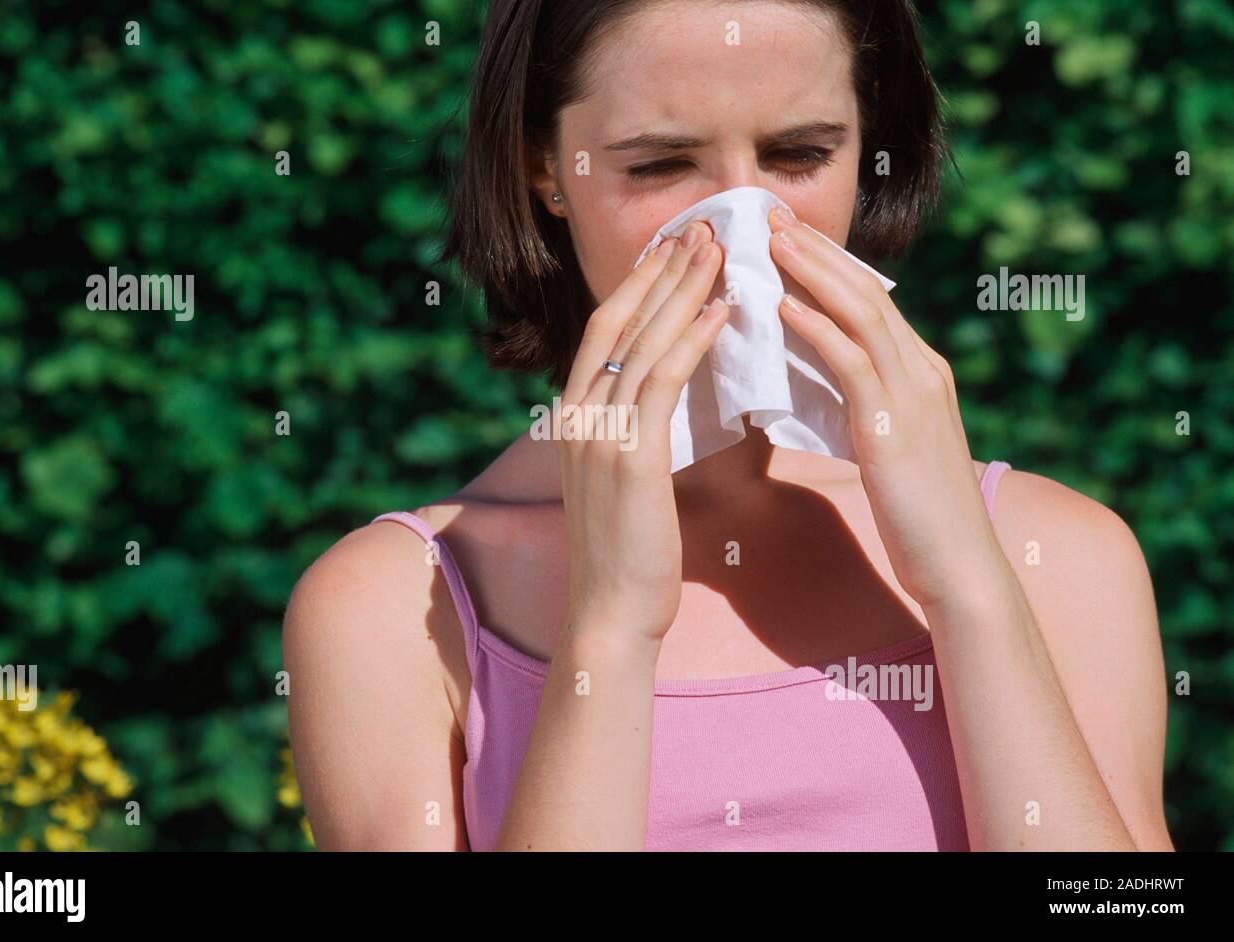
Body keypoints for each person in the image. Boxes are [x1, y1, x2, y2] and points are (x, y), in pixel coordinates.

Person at [283, 0, 1173, 851]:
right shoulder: (398, 608)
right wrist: (611, 629)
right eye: (661, 165)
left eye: (797, 155)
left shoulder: (1055, 552)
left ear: (868, 149)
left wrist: (968, 584)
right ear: (545, 167)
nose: (741, 226)